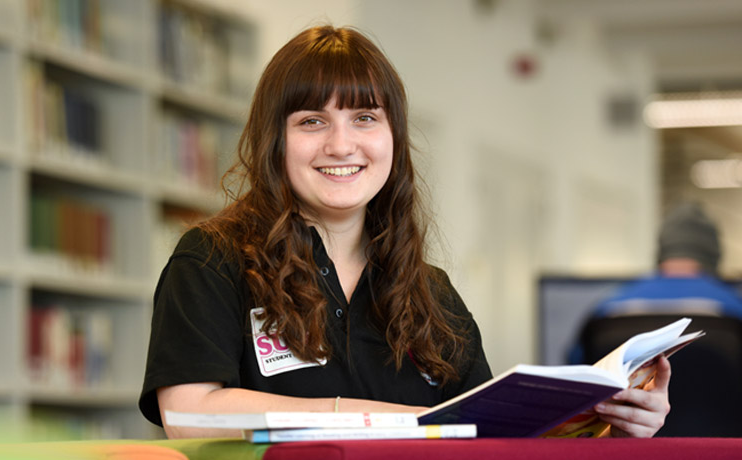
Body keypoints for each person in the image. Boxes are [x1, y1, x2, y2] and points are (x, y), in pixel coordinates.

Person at [139, 25, 670, 439]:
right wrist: (375, 417)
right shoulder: (213, 260)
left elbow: (489, 435)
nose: (341, 145)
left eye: (365, 118)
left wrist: (611, 421)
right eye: (311, 121)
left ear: (393, 136)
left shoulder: (431, 292)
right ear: (273, 140)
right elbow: (190, 411)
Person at [592, 202, 742, 319]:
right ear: (713, 254)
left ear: (661, 250)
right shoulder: (733, 308)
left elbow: (578, 357)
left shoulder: (611, 308)